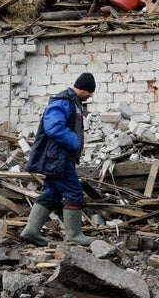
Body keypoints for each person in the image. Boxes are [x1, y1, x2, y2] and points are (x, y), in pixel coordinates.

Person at [20, 72, 97, 247]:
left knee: (52, 194)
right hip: (57, 159)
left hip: (61, 158)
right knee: (74, 192)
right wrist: (74, 141)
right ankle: (74, 235)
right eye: (90, 91)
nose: (91, 95)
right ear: (82, 88)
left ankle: (30, 232)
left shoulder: (74, 103)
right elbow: (53, 127)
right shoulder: (63, 102)